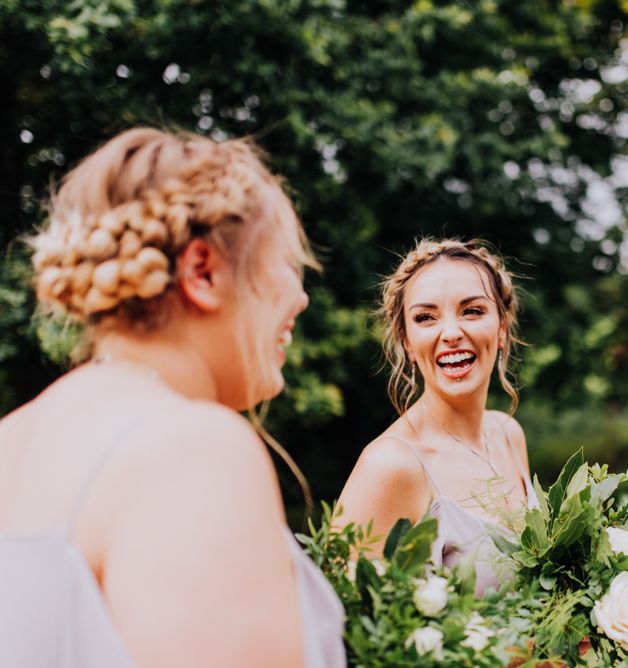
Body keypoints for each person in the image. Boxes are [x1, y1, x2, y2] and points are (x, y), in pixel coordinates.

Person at [0, 128, 345, 667]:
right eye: (289, 265)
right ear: (203, 272)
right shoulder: (193, 449)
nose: (300, 296)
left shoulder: (13, 437)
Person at [337, 238, 538, 595]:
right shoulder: (390, 466)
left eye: (472, 311)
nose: (451, 333)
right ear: (408, 343)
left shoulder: (508, 433)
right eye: (426, 318)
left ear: (502, 328)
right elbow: (344, 625)